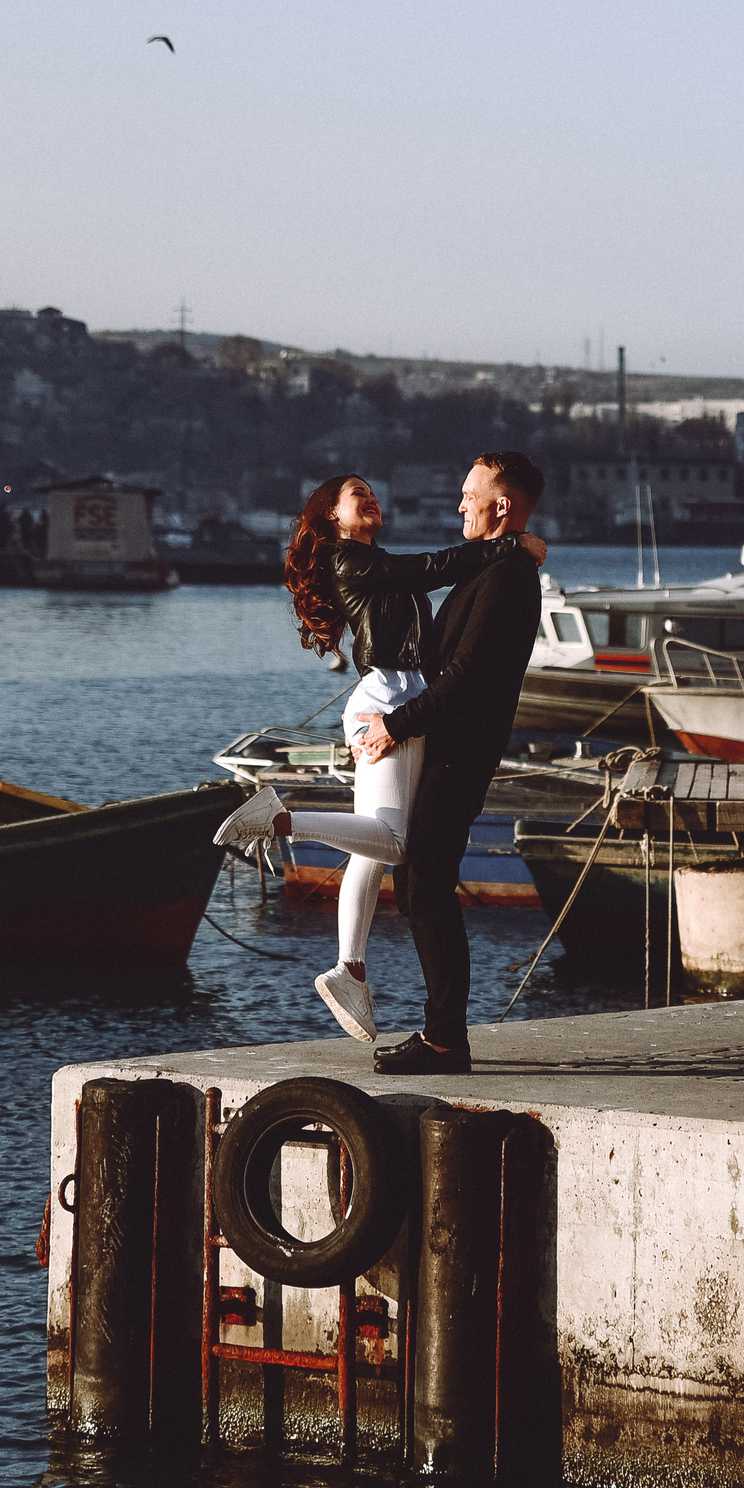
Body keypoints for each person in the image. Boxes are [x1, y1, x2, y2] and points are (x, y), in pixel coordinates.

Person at [211, 474, 545, 1042]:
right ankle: (278, 820)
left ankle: (351, 970)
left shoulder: (373, 559)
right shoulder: (352, 560)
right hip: (389, 699)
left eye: (371, 491)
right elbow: (435, 568)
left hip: (398, 696)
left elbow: (429, 577)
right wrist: (511, 546)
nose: (370, 498)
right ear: (332, 519)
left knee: (370, 848)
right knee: (394, 842)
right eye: (355, 494)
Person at [352, 451, 549, 1076]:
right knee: (415, 883)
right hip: (448, 742)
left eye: (470, 494)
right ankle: (443, 1034)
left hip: (462, 748)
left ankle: (445, 1042)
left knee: (426, 883)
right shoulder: (493, 567)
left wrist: (394, 725)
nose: (460, 504)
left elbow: (465, 678)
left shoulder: (507, 580)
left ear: (503, 505)